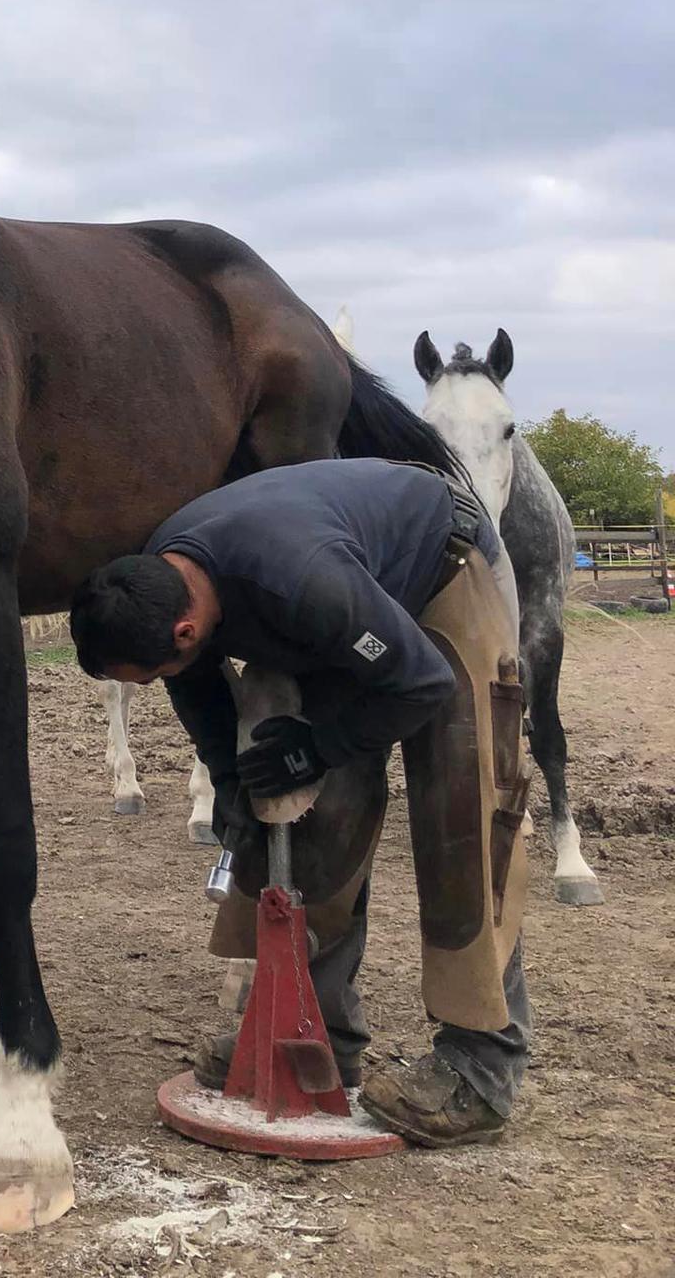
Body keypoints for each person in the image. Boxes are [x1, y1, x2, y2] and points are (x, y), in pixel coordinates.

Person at [69, 457, 532, 1148]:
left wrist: (318, 746)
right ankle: (317, 1032)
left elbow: (419, 682)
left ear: (185, 632)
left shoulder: (302, 581)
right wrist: (236, 785)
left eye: (152, 672)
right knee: (310, 807)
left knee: (460, 803)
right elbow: (200, 695)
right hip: (337, 598)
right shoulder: (160, 584)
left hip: (441, 566)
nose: (155, 681)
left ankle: (480, 1066)